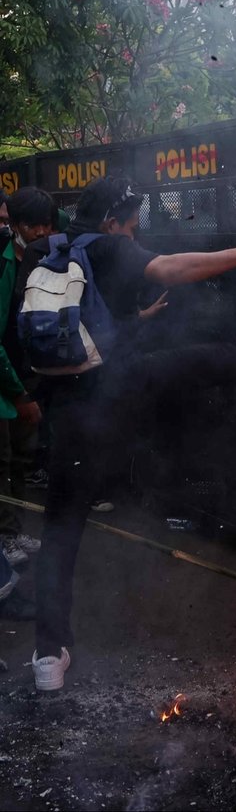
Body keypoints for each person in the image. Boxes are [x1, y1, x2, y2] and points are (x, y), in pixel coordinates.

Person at [17, 176, 236, 691]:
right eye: (132, 224)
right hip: (120, 393)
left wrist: (135, 321)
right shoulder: (108, 245)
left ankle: (48, 657)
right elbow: (171, 268)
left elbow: (83, 335)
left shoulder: (50, 253)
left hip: (73, 417)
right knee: (219, 359)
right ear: (112, 220)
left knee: (61, 533)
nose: (135, 234)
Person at [0, 189, 43, 566]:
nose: (41, 232)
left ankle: (14, 530)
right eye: (34, 225)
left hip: (21, 374)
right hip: (4, 380)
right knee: (3, 459)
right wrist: (16, 392)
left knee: (20, 459)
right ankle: (4, 539)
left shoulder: (34, 258)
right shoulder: (2, 263)